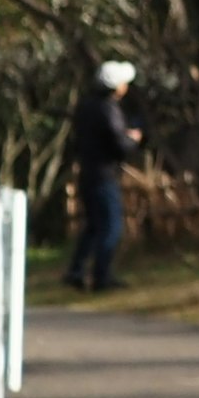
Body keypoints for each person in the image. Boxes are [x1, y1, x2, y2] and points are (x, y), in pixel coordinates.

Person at [65, 60, 141, 293]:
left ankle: (77, 271)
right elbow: (118, 143)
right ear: (116, 86)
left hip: (88, 172)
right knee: (111, 227)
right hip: (104, 174)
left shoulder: (85, 106)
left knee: (93, 226)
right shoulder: (108, 108)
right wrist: (133, 139)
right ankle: (101, 276)